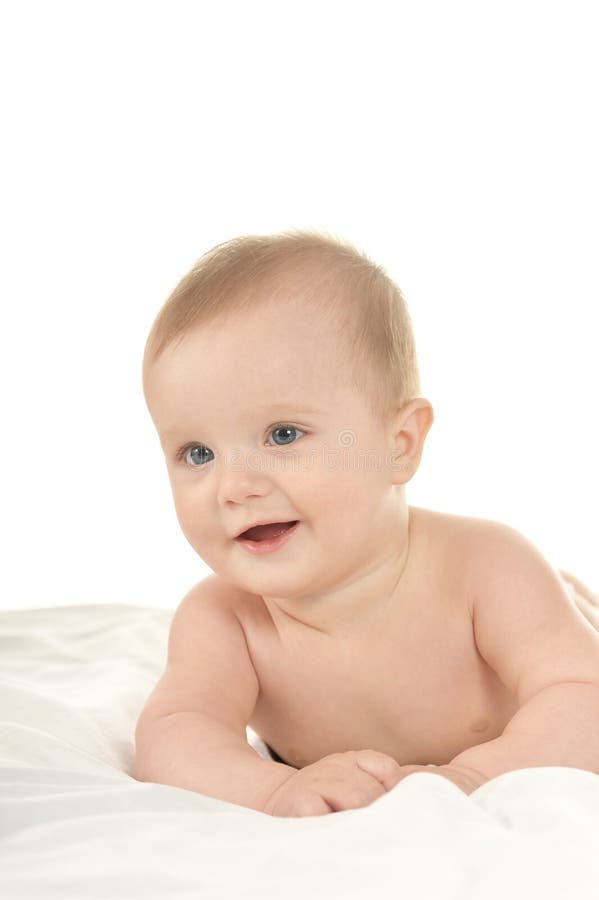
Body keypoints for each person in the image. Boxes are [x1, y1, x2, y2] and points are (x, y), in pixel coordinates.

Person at [133, 229, 599, 817]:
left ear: (398, 444)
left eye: (283, 435)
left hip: (551, 632)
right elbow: (172, 737)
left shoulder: (486, 570)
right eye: (198, 453)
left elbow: (585, 698)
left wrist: (469, 776)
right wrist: (274, 790)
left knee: (574, 634)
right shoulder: (226, 621)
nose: (233, 487)